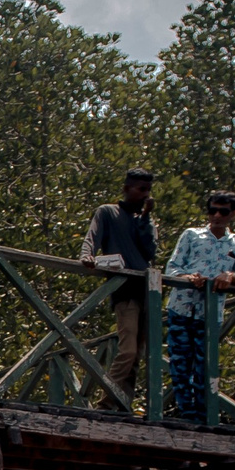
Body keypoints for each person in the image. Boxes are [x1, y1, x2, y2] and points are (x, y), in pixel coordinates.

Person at [164, 190, 235, 418]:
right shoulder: (192, 235)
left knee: (206, 367)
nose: (216, 216)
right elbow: (172, 267)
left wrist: (231, 277)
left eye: (223, 211)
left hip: (210, 313)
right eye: (212, 210)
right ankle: (187, 414)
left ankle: (205, 416)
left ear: (232, 214)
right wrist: (188, 278)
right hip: (182, 307)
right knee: (180, 365)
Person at [78, 167, 159, 410]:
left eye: (148, 190)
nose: (145, 194)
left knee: (137, 355)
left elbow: (151, 252)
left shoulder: (145, 219)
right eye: (141, 189)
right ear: (126, 189)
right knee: (127, 350)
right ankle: (105, 403)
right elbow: (91, 237)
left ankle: (123, 403)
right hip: (124, 289)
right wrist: (86, 256)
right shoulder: (108, 212)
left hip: (147, 289)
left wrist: (145, 218)